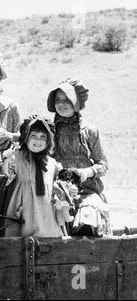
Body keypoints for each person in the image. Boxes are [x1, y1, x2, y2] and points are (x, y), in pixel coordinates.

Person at [46, 78, 111, 236]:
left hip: (87, 192)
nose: (62, 104)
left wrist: (85, 173)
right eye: (58, 100)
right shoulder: (48, 129)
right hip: (56, 192)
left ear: (76, 102)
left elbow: (103, 165)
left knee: (86, 223)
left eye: (67, 99)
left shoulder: (89, 130)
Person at [3, 116, 63, 238]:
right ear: (26, 137)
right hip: (21, 216)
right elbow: (4, 182)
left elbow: (58, 188)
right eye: (33, 136)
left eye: (43, 137)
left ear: (48, 140)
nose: (38, 141)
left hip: (46, 219)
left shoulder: (52, 164)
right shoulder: (14, 159)